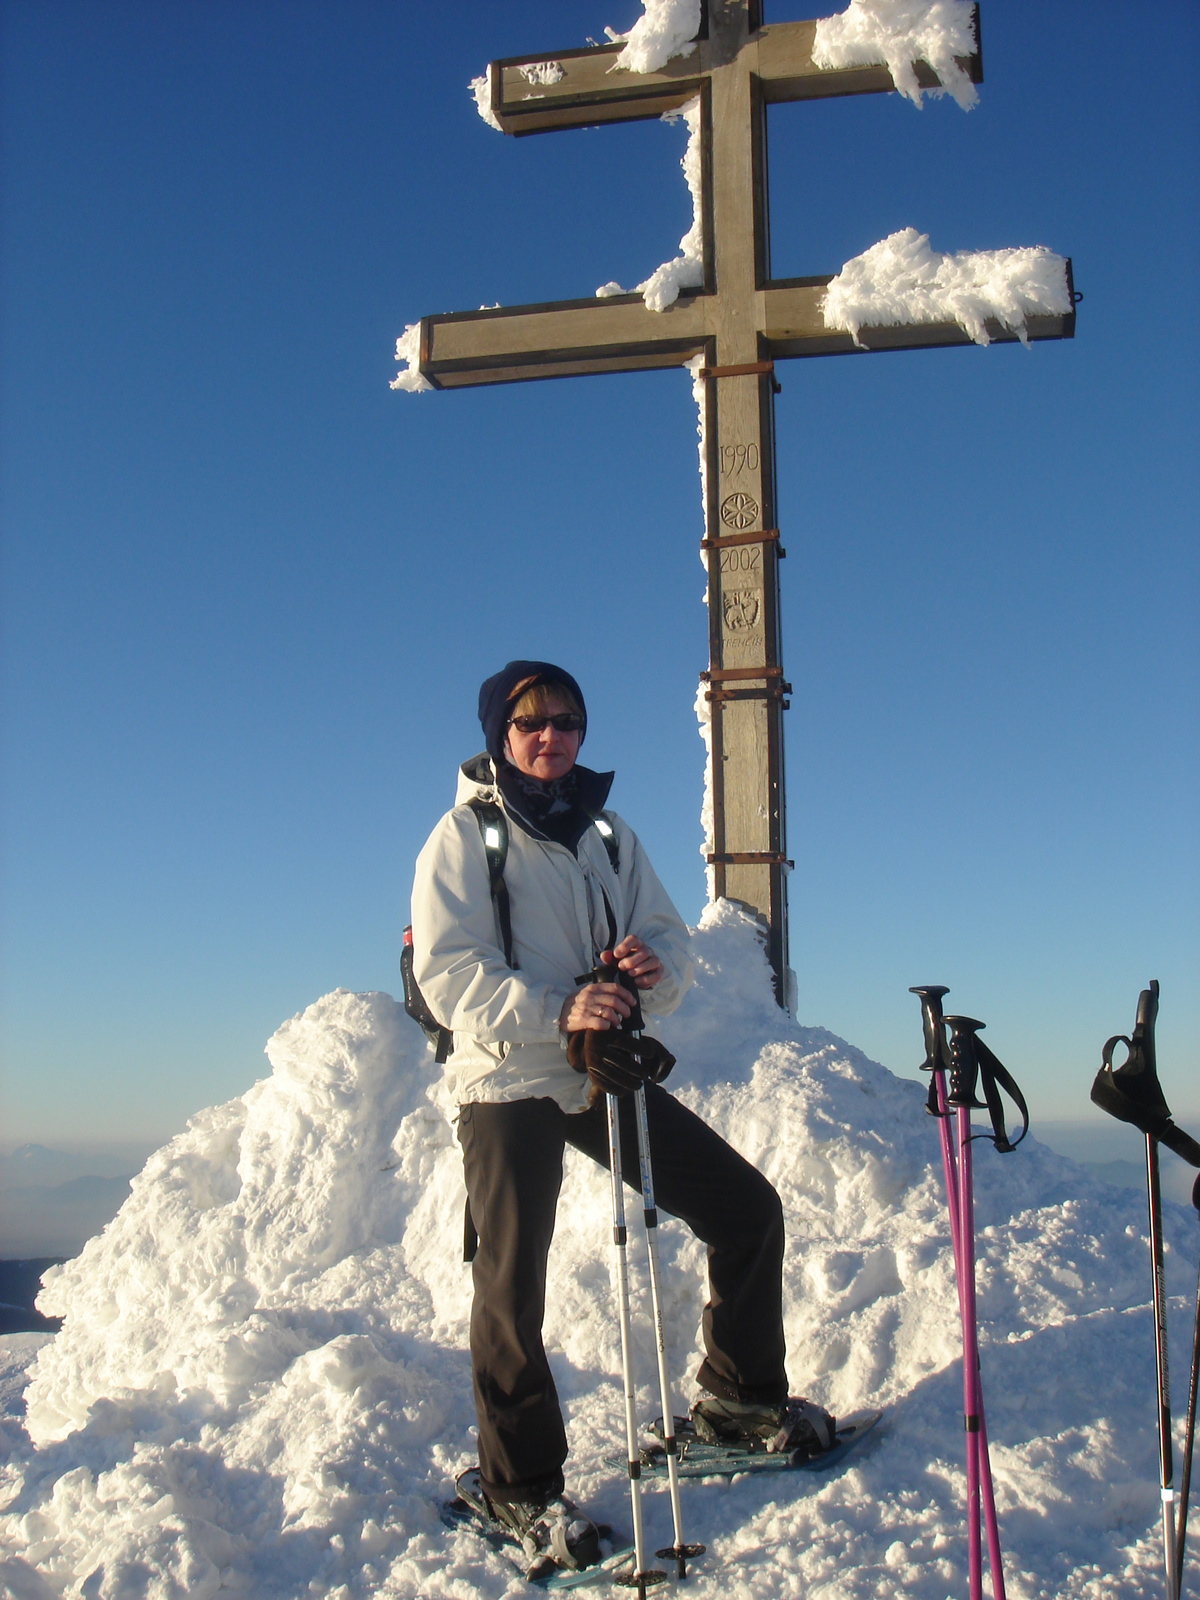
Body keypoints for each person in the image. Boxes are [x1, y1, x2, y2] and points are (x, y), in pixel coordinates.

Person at [410, 660, 833, 1571]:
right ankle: (516, 1489)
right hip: (509, 1079)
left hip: (597, 1068)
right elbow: (449, 978)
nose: (550, 736)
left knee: (746, 1209)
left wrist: (653, 971)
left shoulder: (607, 833)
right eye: (530, 724)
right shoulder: (463, 837)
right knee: (511, 1288)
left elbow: (672, 940)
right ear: (501, 735)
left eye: (565, 720)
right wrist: (558, 1008)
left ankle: (740, 1397)